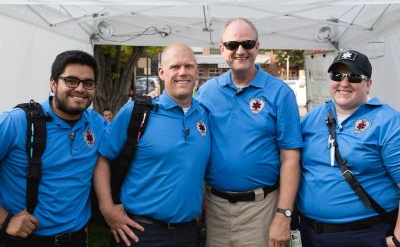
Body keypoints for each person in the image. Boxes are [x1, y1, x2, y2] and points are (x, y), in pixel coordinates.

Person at [195, 18, 303, 247]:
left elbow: (291, 158)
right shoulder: (206, 93)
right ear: (222, 49)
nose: (240, 50)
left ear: (257, 46)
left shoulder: (280, 93)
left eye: (248, 43)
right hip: (214, 209)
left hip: (262, 209)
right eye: (233, 45)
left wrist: (284, 215)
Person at [94, 42, 211, 247]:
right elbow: (103, 157)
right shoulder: (137, 112)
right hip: (139, 232)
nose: (182, 72)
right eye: (175, 67)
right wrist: (107, 208)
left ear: (197, 71)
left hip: (188, 233)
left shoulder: (205, 115)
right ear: (161, 72)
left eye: (188, 66)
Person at [0, 50, 106, 247]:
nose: (80, 88)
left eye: (88, 83)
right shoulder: (16, 122)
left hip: (78, 238)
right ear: (53, 83)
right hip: (23, 240)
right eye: (71, 81)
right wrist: (5, 219)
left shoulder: (97, 124)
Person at [297, 50, 400, 247]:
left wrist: (397, 239)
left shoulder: (389, 122)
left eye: (354, 76)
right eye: (337, 76)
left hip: (365, 234)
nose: (344, 83)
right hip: (310, 233)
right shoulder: (311, 118)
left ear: (368, 84)